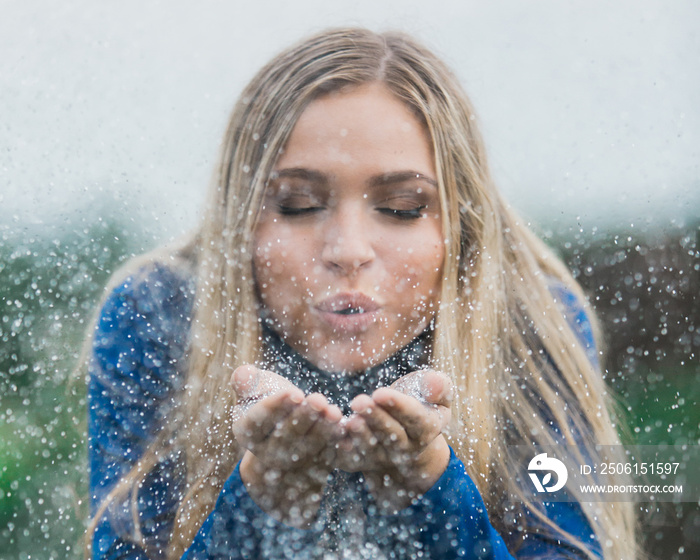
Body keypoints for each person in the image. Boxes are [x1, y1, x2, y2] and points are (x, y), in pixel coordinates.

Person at [84, 28, 637, 559]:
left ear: (460, 229)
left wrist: (431, 490)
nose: (348, 250)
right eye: (298, 204)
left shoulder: (532, 322)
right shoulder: (158, 314)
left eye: (402, 208)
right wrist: (259, 502)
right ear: (241, 221)